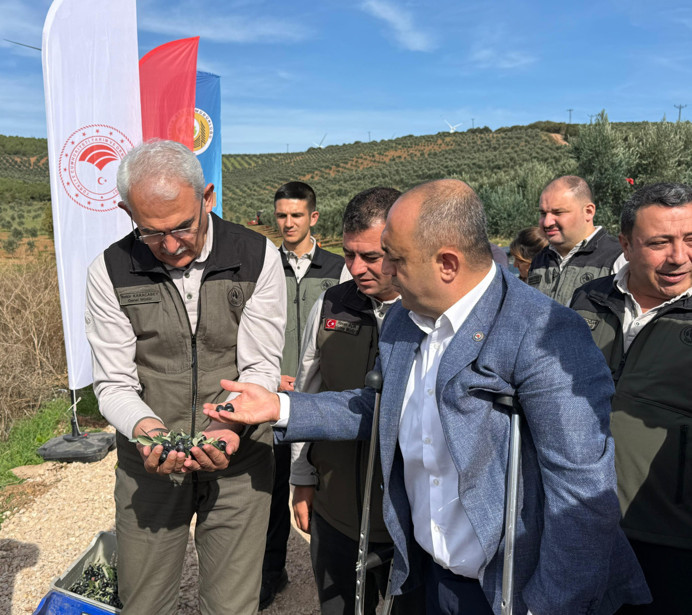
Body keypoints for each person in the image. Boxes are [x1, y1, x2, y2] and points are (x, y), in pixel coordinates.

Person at [205, 179, 651, 615]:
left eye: (394, 259)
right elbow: (379, 407)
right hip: (426, 573)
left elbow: (582, 493)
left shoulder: (545, 334)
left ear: (447, 264)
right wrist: (280, 407)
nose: (384, 272)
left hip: (508, 590)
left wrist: (550, 605)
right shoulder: (404, 318)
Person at [84, 139, 285, 615]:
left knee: (233, 604)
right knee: (144, 601)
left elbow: (260, 366)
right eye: (152, 233)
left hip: (240, 456)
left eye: (183, 227)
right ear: (126, 211)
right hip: (149, 464)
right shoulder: (109, 271)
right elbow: (112, 383)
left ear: (207, 197)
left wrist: (229, 426)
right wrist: (148, 431)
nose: (171, 245)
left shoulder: (257, 256)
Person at [290, 186, 423, 614]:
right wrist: (302, 478)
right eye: (349, 255)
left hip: (413, 522)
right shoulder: (331, 303)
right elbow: (307, 395)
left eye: (372, 256)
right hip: (338, 512)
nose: (357, 269)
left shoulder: (433, 315)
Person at [571, 182, 692, 614]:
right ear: (625, 243)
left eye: (690, 239)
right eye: (659, 243)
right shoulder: (589, 298)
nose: (678, 256)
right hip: (582, 519)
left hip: (671, 536)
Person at [261, 181, 344, 608]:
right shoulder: (262, 266)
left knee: (323, 486)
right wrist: (271, 375)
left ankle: (333, 577)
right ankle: (271, 572)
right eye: (281, 216)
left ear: (313, 217)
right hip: (272, 395)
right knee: (271, 489)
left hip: (318, 399)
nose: (288, 223)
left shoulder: (340, 267)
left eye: (296, 215)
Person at [528, 175, 624, 305]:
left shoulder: (618, 258)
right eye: (543, 213)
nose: (547, 223)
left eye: (558, 212)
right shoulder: (540, 259)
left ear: (588, 212)